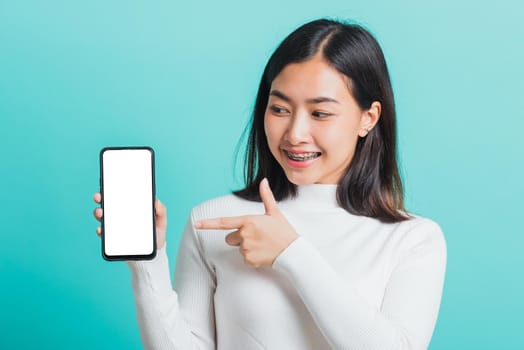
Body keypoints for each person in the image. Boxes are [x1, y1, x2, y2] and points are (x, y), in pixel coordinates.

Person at [93, 18, 447, 350]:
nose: (295, 133)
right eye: (279, 109)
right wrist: (147, 262)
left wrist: (291, 252)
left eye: (320, 113)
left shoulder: (413, 239)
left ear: (368, 118)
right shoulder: (215, 221)